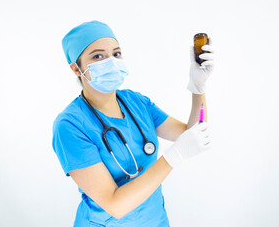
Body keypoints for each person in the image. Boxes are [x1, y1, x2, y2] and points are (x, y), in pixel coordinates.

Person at [52, 20, 214, 227]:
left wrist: (199, 88)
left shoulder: (136, 102)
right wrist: (175, 156)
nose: (110, 61)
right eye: (98, 56)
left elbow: (193, 132)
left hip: (155, 221)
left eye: (116, 53)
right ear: (76, 69)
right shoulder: (69, 125)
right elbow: (115, 205)